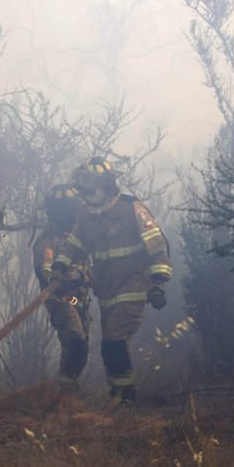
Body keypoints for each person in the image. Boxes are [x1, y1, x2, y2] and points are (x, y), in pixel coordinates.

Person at [52, 157, 171, 405]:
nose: (86, 195)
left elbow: (157, 244)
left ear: (106, 185)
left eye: (90, 188)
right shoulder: (86, 215)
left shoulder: (131, 208)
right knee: (110, 346)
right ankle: (119, 395)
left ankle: (125, 398)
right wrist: (59, 266)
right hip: (106, 293)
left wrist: (158, 283)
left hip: (133, 287)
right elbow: (73, 244)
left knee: (114, 339)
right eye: (83, 190)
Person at [33, 184, 91, 394]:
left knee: (81, 349)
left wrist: (81, 276)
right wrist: (61, 276)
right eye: (70, 212)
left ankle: (67, 391)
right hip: (60, 300)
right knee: (75, 339)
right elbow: (46, 270)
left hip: (81, 302)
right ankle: (64, 398)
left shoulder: (79, 240)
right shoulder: (48, 241)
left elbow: (94, 270)